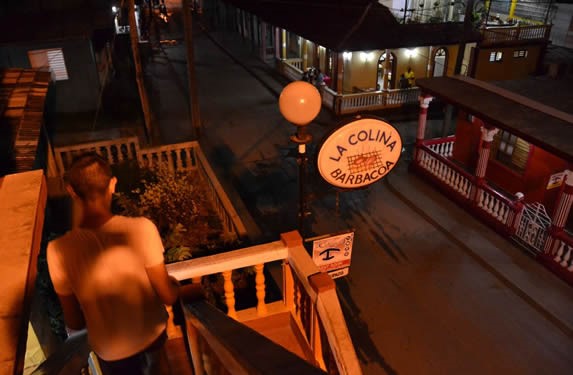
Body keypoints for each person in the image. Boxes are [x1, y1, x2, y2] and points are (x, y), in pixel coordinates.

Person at [47, 152, 181, 375]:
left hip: (111, 353)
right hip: (151, 339)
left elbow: (75, 321)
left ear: (71, 191)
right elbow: (167, 295)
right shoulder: (142, 229)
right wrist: (175, 286)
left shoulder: (58, 251)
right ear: (113, 184)